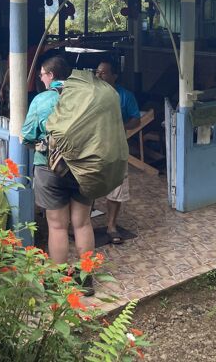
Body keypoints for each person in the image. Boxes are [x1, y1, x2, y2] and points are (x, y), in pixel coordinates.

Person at [21, 56, 96, 295]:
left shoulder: (42, 100)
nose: (40, 78)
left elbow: (27, 135)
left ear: (51, 75)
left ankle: (60, 280)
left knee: (57, 226)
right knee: (83, 223)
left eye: (42, 74)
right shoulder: (87, 96)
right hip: (84, 167)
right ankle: (86, 279)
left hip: (49, 168)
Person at [95, 58, 141, 245]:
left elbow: (136, 119)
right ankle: (79, 224)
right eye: (97, 72)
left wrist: (120, 127)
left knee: (117, 187)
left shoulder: (125, 96)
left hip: (116, 148)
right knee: (85, 186)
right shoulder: (91, 94)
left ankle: (111, 225)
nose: (99, 75)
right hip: (93, 147)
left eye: (104, 73)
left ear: (114, 76)